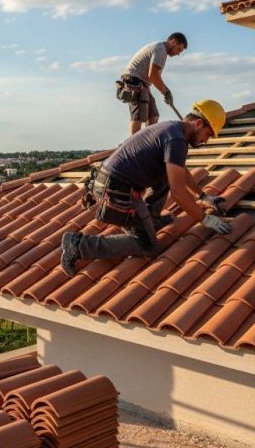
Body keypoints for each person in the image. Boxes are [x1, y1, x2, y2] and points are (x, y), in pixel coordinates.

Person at [61, 99, 231, 276]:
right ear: (198, 123)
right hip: (117, 191)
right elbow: (178, 193)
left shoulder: (173, 129)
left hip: (113, 183)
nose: (206, 140)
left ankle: (150, 218)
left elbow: (179, 170)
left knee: (170, 171)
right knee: (147, 245)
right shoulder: (176, 140)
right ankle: (78, 244)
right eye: (209, 134)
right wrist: (204, 218)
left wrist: (202, 196)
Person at [119, 32, 188, 136]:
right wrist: (166, 91)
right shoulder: (160, 49)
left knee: (153, 115)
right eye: (178, 49)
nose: (178, 54)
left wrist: (165, 91)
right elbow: (153, 75)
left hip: (143, 83)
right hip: (134, 81)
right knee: (138, 115)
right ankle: (134, 146)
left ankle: (147, 142)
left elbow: (154, 76)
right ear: (172, 41)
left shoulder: (161, 50)